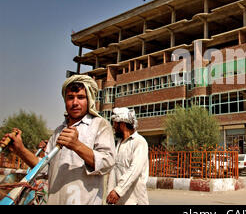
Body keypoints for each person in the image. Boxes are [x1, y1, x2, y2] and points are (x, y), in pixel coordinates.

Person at [1, 75, 116, 204]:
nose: (75, 103)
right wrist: (20, 150)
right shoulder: (58, 131)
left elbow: (108, 163)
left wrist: (77, 145)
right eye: (70, 98)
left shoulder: (100, 125)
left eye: (81, 97)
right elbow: (45, 169)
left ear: (89, 99)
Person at [106, 107, 149, 205]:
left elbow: (134, 170)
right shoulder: (119, 143)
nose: (113, 127)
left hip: (134, 201)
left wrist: (118, 191)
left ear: (122, 124)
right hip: (118, 201)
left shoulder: (139, 142)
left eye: (115, 124)